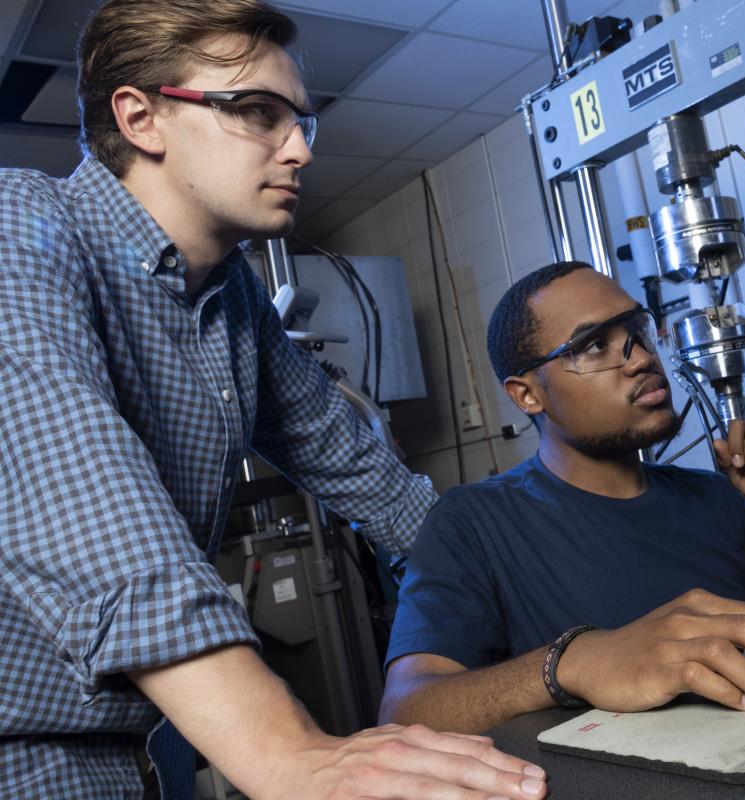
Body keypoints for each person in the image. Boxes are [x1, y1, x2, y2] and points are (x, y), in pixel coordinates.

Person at [0, 1, 547, 798]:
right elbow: (78, 492)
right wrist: (289, 752)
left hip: (130, 756)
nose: (298, 148)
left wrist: (546, 607)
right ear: (141, 116)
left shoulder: (233, 303)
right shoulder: (22, 223)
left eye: (301, 121)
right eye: (258, 112)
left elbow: (369, 476)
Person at [380, 261, 745, 734]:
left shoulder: (712, 498)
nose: (642, 358)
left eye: (637, 330)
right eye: (593, 345)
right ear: (527, 395)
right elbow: (407, 712)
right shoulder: (474, 522)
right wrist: (570, 663)